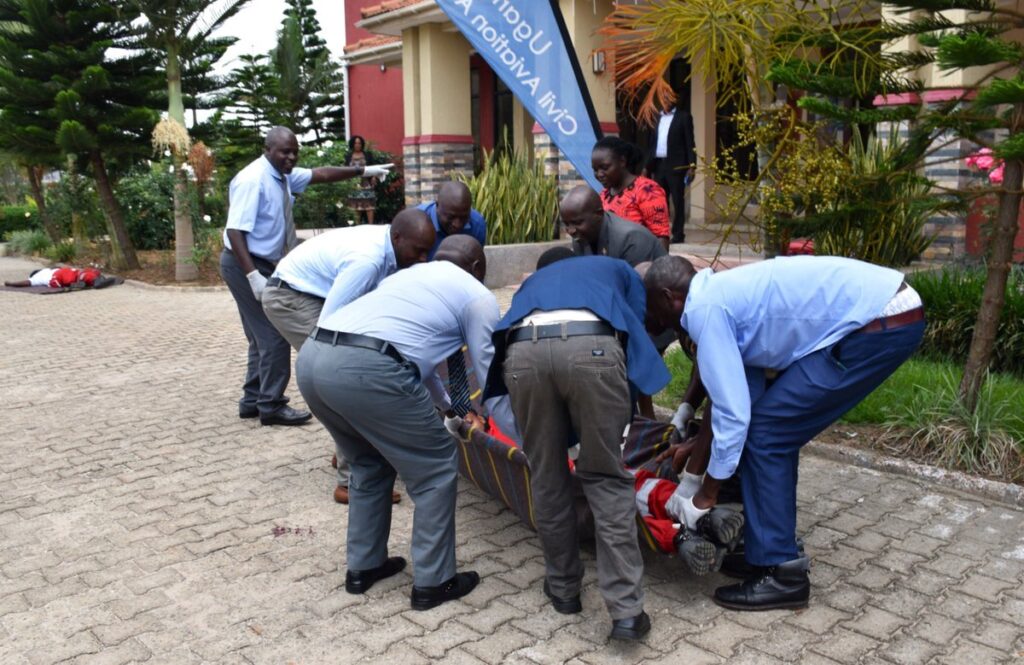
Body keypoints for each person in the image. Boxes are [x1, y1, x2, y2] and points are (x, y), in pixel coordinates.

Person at [644, 254, 925, 611]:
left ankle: (784, 574)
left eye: (653, 308)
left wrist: (704, 495)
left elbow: (733, 417)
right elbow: (733, 399)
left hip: (879, 320)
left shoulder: (704, 311)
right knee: (768, 428)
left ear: (670, 297)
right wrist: (695, 469)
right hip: (884, 308)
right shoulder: (719, 294)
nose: (655, 321)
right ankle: (767, 551)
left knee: (767, 434)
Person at [295, 235, 518, 611]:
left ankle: (364, 567)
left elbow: (422, 362)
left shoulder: (405, 279)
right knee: (434, 468)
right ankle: (434, 582)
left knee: (368, 462)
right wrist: (518, 433)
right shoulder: (477, 296)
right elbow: (488, 371)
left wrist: (449, 409)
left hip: (313, 358)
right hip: (369, 369)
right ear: (479, 268)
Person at [483, 254, 671, 641]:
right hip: (594, 347)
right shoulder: (619, 269)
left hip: (522, 353)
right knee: (605, 479)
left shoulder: (534, 281)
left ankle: (564, 589)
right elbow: (633, 333)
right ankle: (626, 613)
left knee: (548, 479)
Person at [219, 126, 391, 427]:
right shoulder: (253, 179)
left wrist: (362, 169)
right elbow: (235, 231)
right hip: (244, 262)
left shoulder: (282, 175)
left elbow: (321, 174)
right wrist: (253, 277)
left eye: (294, 151)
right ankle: (271, 405)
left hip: (265, 262)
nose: (291, 157)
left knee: (259, 335)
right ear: (267, 149)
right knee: (273, 334)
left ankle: (252, 400)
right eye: (285, 152)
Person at [261, 209, 436, 504]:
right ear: (397, 238)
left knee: (351, 370)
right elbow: (331, 327)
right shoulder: (367, 262)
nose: (422, 260)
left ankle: (347, 450)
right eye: (418, 252)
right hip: (289, 298)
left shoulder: (391, 242)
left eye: (427, 252)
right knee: (346, 376)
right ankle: (351, 481)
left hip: (306, 292)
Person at [592, 136, 671, 249]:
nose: (599, 174)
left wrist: (658, 266)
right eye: (595, 170)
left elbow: (661, 238)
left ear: (622, 161)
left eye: (604, 167)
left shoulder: (647, 190)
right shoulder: (604, 195)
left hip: (642, 262)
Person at [561, 185, 666, 267]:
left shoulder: (631, 239)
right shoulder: (580, 237)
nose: (571, 230)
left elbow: (635, 288)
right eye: (566, 224)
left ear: (598, 214)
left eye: (578, 222)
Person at [646, 102, 697, 243]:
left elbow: (690, 142)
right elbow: (652, 144)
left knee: (677, 200)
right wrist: (647, 167)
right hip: (659, 165)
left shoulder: (683, 117)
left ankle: (678, 234)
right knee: (659, 201)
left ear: (674, 100)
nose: (665, 101)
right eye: (663, 98)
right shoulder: (656, 117)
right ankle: (660, 232)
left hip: (677, 165)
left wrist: (692, 166)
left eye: (668, 98)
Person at [417, 181, 487, 259]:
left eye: (463, 217)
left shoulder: (477, 225)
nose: (457, 224)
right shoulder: (417, 223)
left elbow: (475, 263)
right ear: (437, 205)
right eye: (450, 217)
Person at [344, 135, 378, 225]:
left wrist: (374, 177)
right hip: (353, 185)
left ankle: (371, 225)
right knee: (356, 206)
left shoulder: (367, 155)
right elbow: (345, 169)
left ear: (362, 144)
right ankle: (357, 226)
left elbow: (373, 167)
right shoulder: (348, 156)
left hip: (366, 183)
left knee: (369, 206)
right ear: (352, 144)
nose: (357, 145)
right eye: (355, 143)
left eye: (359, 143)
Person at [5, 266, 116, 289]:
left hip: (59, 276)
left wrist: (11, 283)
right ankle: (97, 280)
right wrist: (10, 283)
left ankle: (95, 281)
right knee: (81, 274)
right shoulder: (40, 274)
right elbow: (25, 282)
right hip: (59, 275)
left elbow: (25, 283)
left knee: (79, 275)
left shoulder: (37, 277)